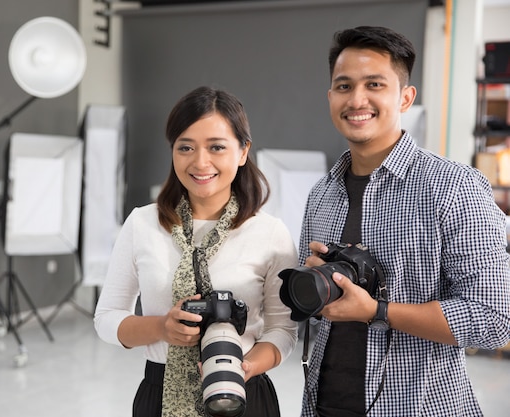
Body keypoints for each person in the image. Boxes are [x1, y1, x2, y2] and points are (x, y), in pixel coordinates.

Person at [295, 26, 510, 416]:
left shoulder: (452, 187)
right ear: (330, 97)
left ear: (405, 97)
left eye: (374, 84)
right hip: (322, 404)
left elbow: (495, 318)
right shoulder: (320, 194)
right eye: (343, 87)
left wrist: (377, 310)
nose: (357, 99)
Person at [94, 86, 299, 417]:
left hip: (244, 392)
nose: (200, 162)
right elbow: (106, 319)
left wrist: (243, 368)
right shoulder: (142, 223)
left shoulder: (269, 232)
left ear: (243, 151)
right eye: (185, 147)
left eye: (217, 147)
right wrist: (161, 327)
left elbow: (283, 331)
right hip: (160, 396)